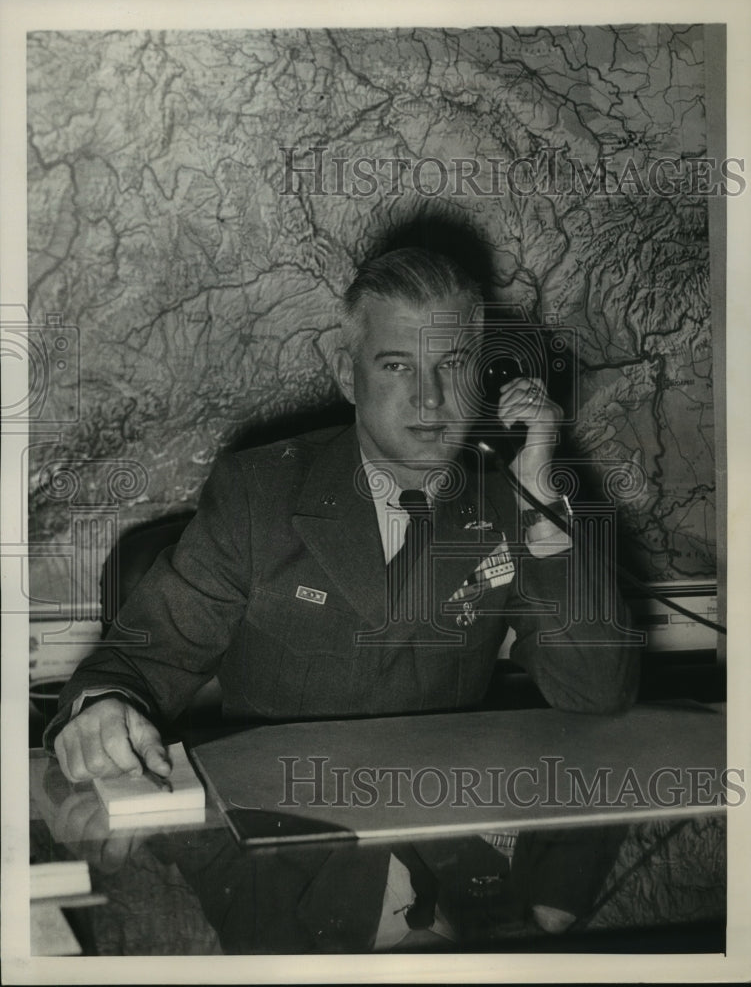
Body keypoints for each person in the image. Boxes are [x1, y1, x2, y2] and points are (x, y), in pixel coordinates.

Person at [44, 245, 640, 946]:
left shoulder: (503, 498)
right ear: (346, 375)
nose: (428, 400)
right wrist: (100, 710)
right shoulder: (259, 495)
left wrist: (541, 498)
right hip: (287, 864)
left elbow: (598, 689)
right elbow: (145, 656)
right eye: (396, 366)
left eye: (451, 367)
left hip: (446, 842)